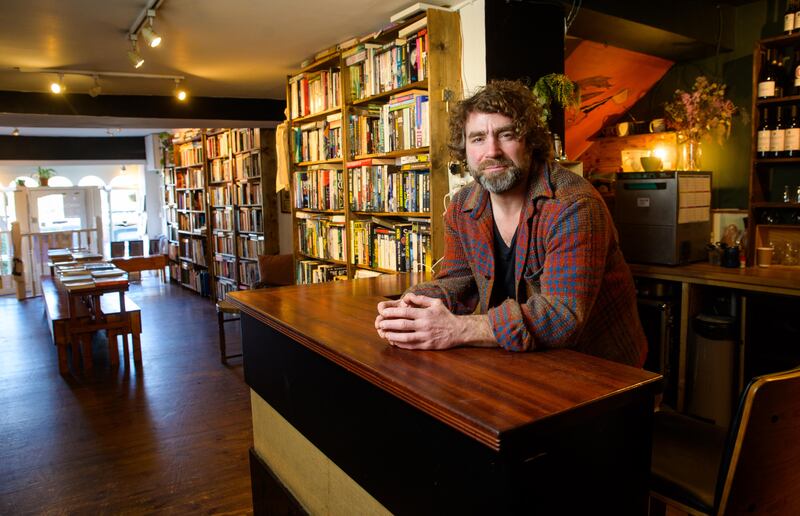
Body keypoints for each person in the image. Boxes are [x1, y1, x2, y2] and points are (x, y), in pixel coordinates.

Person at [375, 79, 647, 367]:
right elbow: (457, 280)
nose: (491, 151)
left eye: (506, 134)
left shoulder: (574, 204)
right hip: (525, 362)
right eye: (478, 138)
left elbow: (563, 315)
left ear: (530, 142)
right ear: (465, 150)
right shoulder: (463, 206)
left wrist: (458, 329)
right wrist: (409, 309)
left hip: (601, 371)